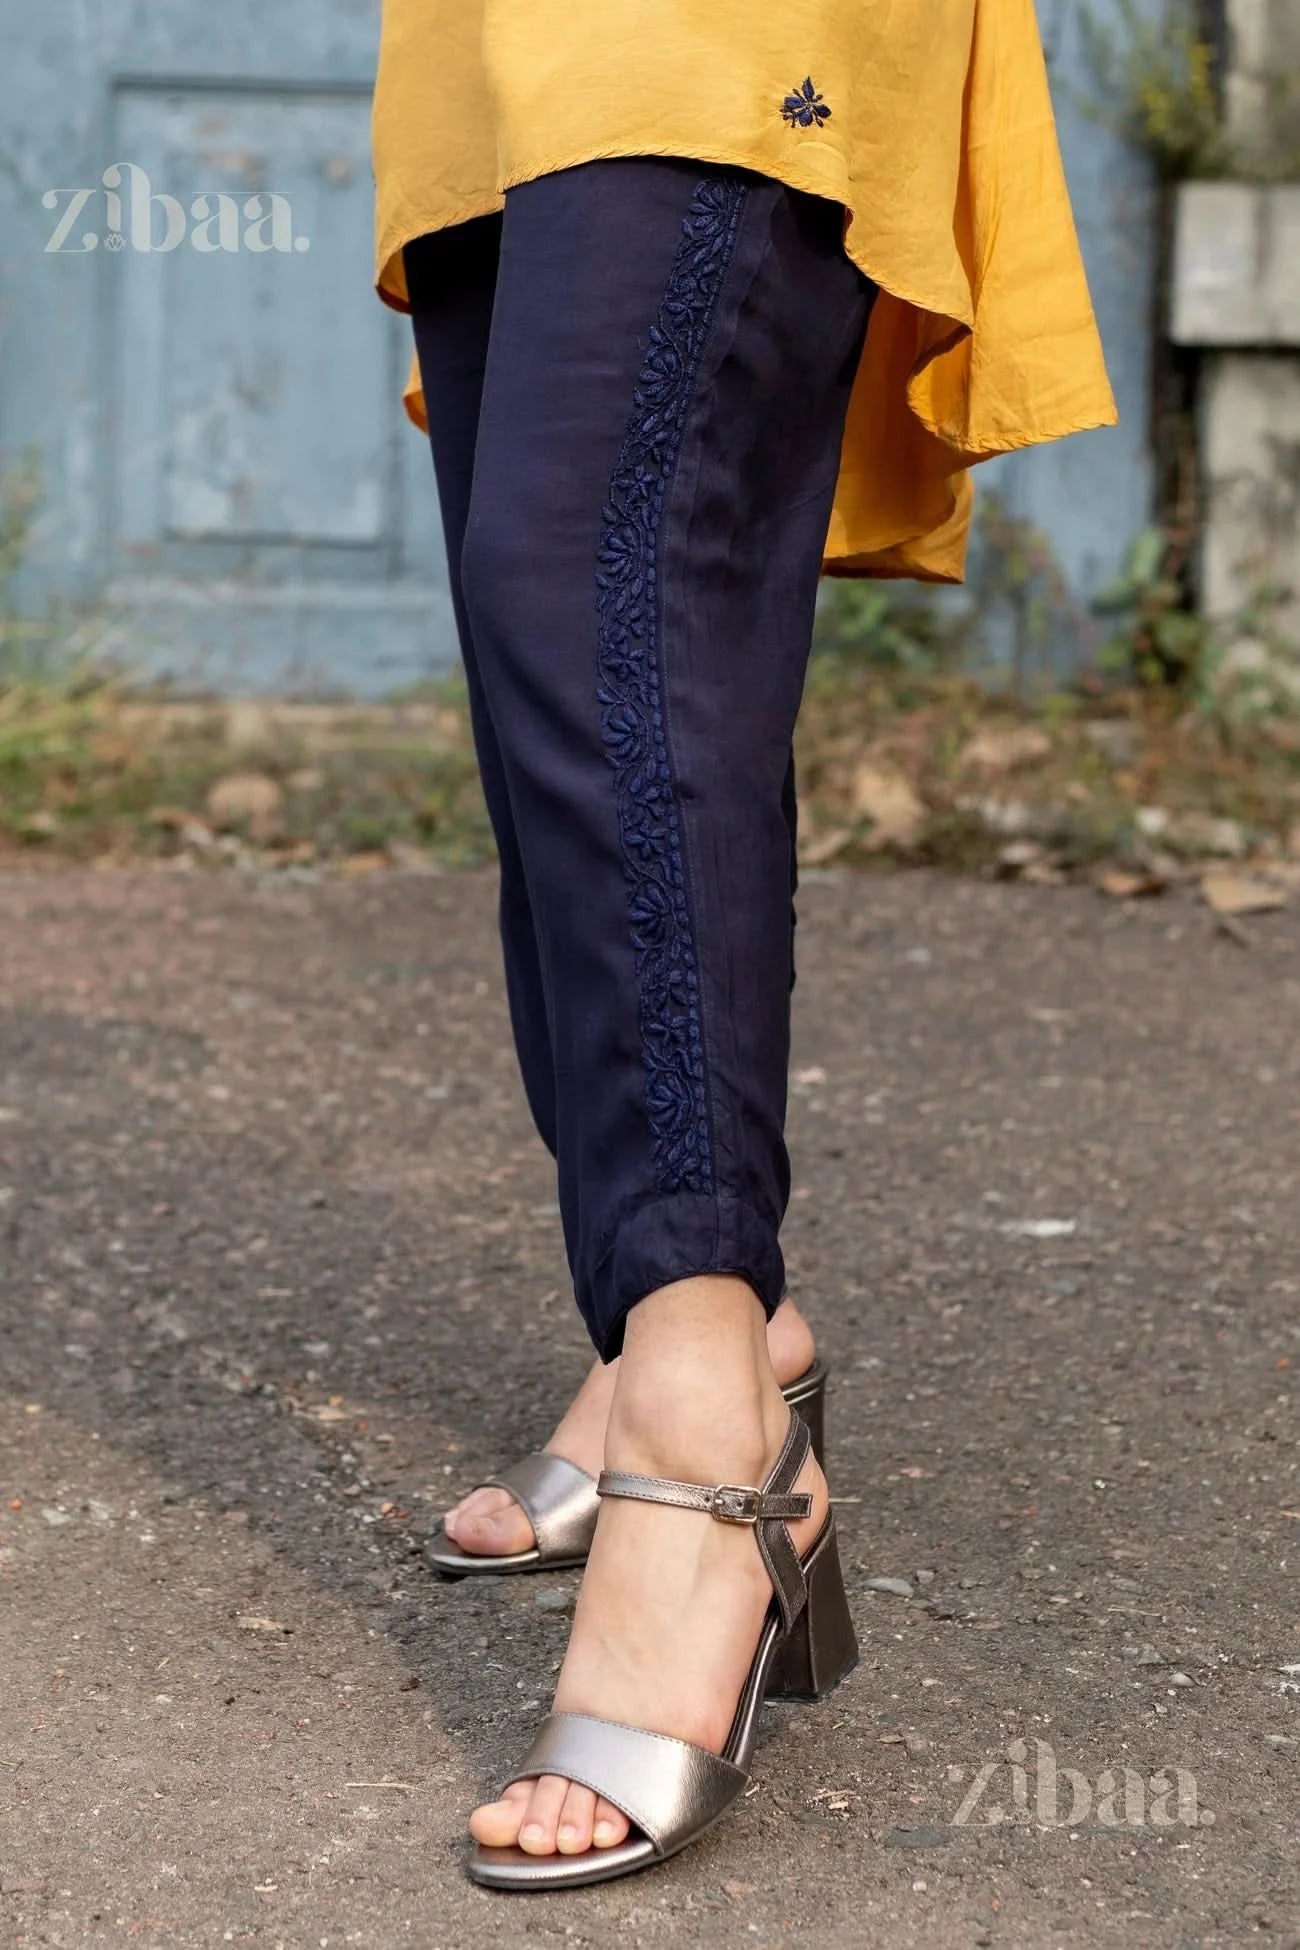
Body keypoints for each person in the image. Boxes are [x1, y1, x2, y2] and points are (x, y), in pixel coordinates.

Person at [371, 0, 1116, 1890]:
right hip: (486, 46)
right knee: (580, 642)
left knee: (588, 594)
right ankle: (685, 1320)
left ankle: (710, 1413)